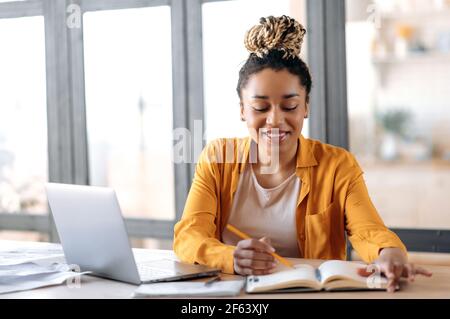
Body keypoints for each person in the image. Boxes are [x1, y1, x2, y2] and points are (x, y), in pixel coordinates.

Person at [173, 15, 431, 292]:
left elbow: (369, 231)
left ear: (305, 106)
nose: (274, 120)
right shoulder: (217, 158)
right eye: (260, 108)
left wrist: (388, 254)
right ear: (242, 110)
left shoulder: (337, 165)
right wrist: (230, 257)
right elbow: (189, 235)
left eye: (290, 106)